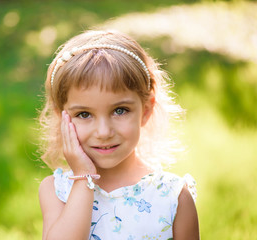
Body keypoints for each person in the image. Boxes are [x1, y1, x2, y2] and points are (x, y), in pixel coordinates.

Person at [38, 30, 199, 240]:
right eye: (84, 114)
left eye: (120, 110)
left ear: (146, 110)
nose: (104, 132)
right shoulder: (57, 190)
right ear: (63, 118)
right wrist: (83, 179)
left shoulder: (172, 196)